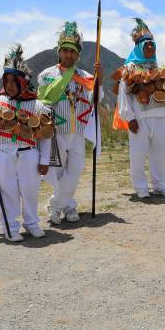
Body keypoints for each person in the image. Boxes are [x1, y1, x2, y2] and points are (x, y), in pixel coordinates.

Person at [0, 45, 53, 241]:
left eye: (14, 81)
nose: (10, 85)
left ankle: (31, 223)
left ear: (22, 82)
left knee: (30, 190)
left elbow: (44, 135)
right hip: (2, 154)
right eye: (7, 81)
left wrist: (44, 159)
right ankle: (10, 226)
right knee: (7, 191)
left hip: (29, 153)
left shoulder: (37, 106)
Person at [113, 18, 165, 198]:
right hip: (139, 118)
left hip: (161, 116)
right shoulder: (130, 68)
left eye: (152, 44)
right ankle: (140, 188)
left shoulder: (161, 67)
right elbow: (123, 94)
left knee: (159, 154)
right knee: (138, 155)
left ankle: (160, 186)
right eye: (146, 44)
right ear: (138, 46)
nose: (150, 47)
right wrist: (129, 117)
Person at [37, 21, 99, 224]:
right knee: (60, 171)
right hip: (57, 131)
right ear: (59, 52)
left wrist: (99, 82)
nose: (68, 55)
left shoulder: (86, 77)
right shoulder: (46, 76)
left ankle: (55, 206)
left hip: (78, 131)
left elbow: (96, 99)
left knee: (75, 171)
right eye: (65, 51)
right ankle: (69, 207)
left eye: (72, 52)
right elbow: (42, 103)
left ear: (78, 55)